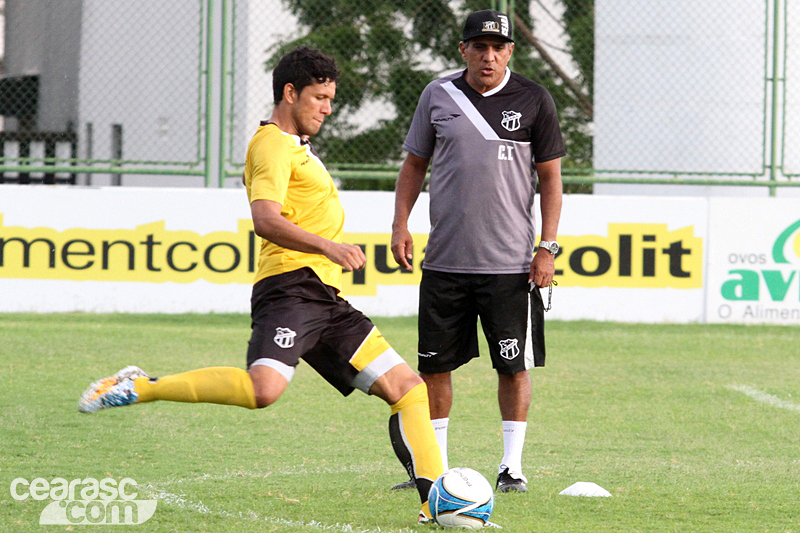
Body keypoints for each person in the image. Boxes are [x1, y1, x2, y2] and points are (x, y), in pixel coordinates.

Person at [78, 46, 443, 523]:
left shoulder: (297, 147)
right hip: (291, 288)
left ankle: (437, 504)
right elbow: (265, 220)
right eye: (320, 98)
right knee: (262, 391)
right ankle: (140, 386)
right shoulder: (270, 144)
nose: (327, 109)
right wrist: (329, 247)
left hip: (325, 297)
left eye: (330, 99)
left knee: (409, 388)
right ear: (290, 93)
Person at [390, 10, 565, 493]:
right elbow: (414, 165)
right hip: (444, 262)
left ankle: (512, 467)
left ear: (510, 52)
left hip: (510, 265)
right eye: (480, 46)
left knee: (513, 366)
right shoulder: (437, 95)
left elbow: (551, 179)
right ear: (463, 49)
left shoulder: (534, 99)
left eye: (498, 48)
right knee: (433, 368)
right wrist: (400, 224)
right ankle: (436, 470)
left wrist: (547, 247)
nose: (489, 56)